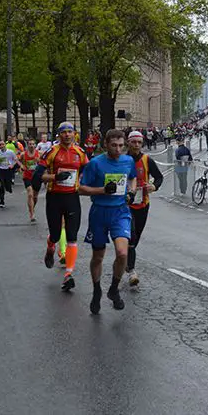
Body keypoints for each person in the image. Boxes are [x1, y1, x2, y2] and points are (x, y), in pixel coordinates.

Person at [79, 129, 138, 314]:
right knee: (98, 256)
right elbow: (80, 188)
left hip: (120, 212)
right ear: (106, 144)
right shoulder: (95, 163)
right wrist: (102, 191)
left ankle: (114, 289)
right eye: (114, 145)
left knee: (122, 253)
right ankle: (97, 290)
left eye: (121, 145)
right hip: (99, 212)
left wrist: (132, 191)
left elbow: (133, 178)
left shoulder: (128, 161)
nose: (118, 149)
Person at [38, 122, 89, 291]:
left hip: (72, 197)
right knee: (54, 233)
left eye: (70, 132)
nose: (67, 135)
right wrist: (55, 177)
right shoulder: (51, 152)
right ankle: (51, 246)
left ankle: (68, 274)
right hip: (54, 197)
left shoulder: (80, 152)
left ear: (75, 134)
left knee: (72, 236)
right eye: (64, 132)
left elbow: (87, 170)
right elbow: (39, 176)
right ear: (59, 135)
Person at [126, 131, 164, 287]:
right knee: (131, 236)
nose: (136, 145)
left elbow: (159, 177)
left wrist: (154, 186)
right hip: (126, 205)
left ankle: (127, 261)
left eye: (139, 143)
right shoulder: (122, 160)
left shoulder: (147, 160)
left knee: (136, 238)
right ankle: (132, 271)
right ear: (128, 143)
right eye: (133, 142)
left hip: (143, 204)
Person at [18, 139, 41, 222]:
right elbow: (18, 161)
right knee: (30, 194)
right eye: (30, 144)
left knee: (35, 196)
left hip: (37, 177)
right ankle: (31, 214)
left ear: (35, 145)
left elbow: (44, 163)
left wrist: (39, 161)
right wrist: (21, 166)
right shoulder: (23, 154)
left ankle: (32, 208)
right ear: (27, 145)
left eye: (33, 144)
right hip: (27, 176)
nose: (31, 145)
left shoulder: (39, 154)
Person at [0, 141, 17, 208]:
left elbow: (15, 160)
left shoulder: (10, 152)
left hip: (8, 170)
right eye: (0, 145)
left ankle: (8, 187)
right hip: (0, 170)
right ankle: (1, 201)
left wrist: (12, 165)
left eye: (3, 144)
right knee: (1, 185)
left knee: (7, 184)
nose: (1, 146)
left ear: (5, 145)